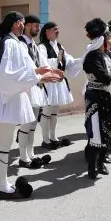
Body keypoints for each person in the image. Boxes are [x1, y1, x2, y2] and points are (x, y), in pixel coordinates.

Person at [0, 12, 61, 199]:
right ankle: (2, 187)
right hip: (7, 99)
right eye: (23, 23)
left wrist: (38, 71)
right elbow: (8, 75)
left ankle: (3, 184)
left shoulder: (12, 42)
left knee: (4, 143)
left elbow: (19, 70)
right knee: (3, 144)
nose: (24, 26)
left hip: (10, 97)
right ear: (17, 24)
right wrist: (40, 77)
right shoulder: (10, 43)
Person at [82, 18, 111, 179]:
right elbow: (101, 74)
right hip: (96, 99)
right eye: (107, 38)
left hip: (108, 97)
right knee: (96, 134)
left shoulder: (106, 54)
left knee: (107, 131)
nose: (110, 40)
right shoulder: (93, 55)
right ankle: (92, 167)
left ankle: (101, 162)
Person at [38, 22, 81, 150]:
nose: (57, 31)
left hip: (58, 82)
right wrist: (57, 60)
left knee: (54, 112)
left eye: (58, 29)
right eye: (55, 29)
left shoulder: (59, 46)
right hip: (49, 82)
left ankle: (53, 137)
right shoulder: (42, 47)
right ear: (47, 32)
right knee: (47, 111)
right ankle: (45, 139)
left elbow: (69, 61)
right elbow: (42, 64)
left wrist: (82, 60)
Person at [17, 15, 51, 168]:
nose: (38, 29)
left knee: (32, 125)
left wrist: (52, 73)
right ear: (28, 26)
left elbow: (41, 64)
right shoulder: (21, 43)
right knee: (25, 125)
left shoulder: (34, 45)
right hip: (26, 88)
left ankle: (30, 154)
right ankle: (23, 157)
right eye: (36, 26)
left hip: (37, 87)